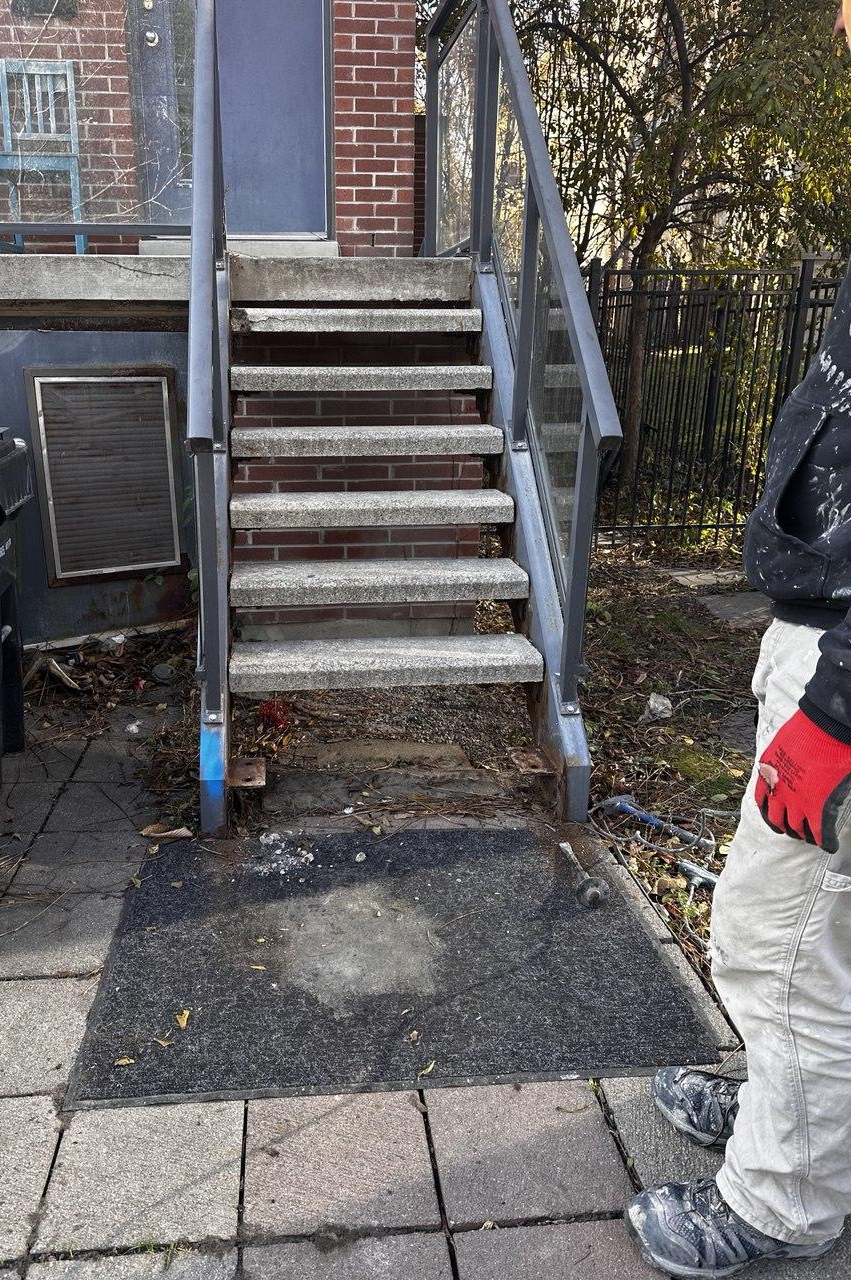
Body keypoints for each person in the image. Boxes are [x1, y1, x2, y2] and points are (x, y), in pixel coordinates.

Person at [625, 6, 851, 1276]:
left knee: (781, 940)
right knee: (802, 937)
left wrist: (837, 712)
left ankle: (782, 1197)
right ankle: (791, 1103)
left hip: (845, 679)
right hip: (821, 635)